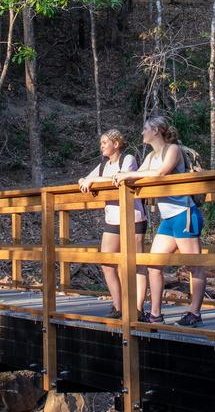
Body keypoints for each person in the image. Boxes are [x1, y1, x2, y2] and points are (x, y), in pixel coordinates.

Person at [112, 116, 205, 327]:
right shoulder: (152, 156)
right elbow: (137, 173)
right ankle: (155, 314)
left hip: (184, 213)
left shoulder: (172, 149)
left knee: (194, 266)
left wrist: (128, 176)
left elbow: (161, 173)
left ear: (156, 130)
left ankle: (195, 312)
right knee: (154, 265)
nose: (142, 132)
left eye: (145, 128)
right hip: (168, 219)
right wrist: (125, 176)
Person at [77, 129, 147, 319]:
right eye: (101, 143)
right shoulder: (102, 166)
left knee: (135, 264)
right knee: (107, 262)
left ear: (116, 144)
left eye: (105, 143)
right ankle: (119, 305)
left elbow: (119, 178)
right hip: (113, 219)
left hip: (134, 217)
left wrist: (94, 180)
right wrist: (86, 180)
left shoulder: (128, 159)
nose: (102, 146)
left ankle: (138, 308)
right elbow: (85, 179)